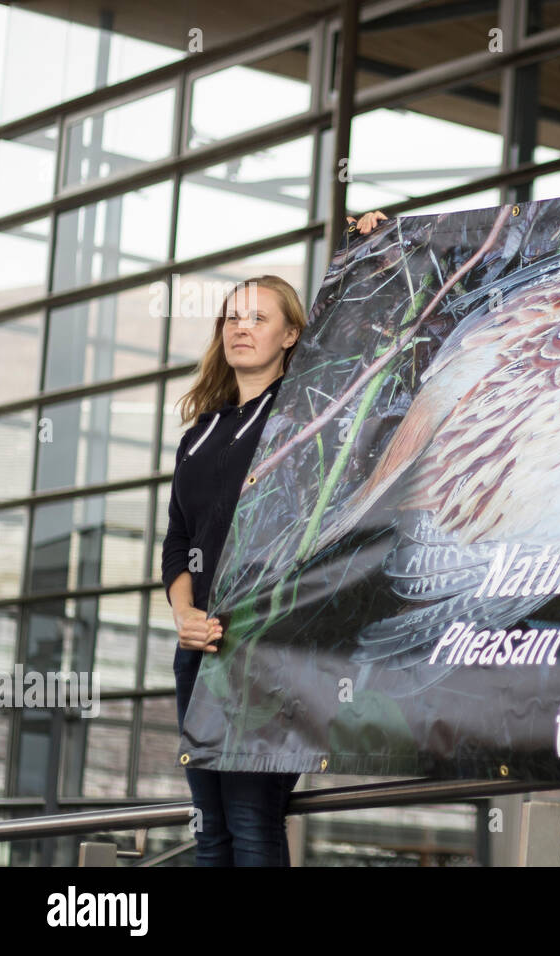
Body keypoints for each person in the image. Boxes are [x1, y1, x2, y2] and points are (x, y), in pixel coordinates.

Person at [162, 214, 387, 866]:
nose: (240, 326)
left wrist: (371, 252)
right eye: (232, 317)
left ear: (292, 335)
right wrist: (185, 617)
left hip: (274, 649)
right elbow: (179, 539)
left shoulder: (305, 414)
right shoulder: (201, 432)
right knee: (213, 833)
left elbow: (365, 352)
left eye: (259, 318)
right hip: (201, 653)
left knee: (253, 823)